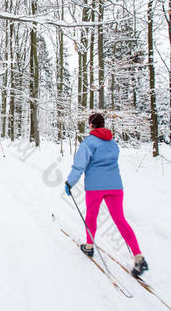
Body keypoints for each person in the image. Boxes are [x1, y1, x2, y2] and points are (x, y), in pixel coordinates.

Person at [64, 113, 148, 277]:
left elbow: (79, 165)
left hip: (95, 187)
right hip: (115, 186)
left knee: (92, 216)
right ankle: (138, 257)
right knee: (120, 220)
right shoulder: (113, 144)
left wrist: (70, 183)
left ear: (91, 125)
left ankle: (89, 246)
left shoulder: (88, 143)